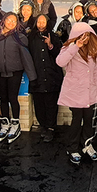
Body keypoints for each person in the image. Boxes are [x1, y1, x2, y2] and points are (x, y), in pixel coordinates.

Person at [0, 12, 37, 141]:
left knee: (12, 98)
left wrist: (32, 77)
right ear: (4, 20)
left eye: (14, 21)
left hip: (15, 72)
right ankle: (5, 122)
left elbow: (26, 58)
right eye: (9, 20)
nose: (11, 23)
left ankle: (15, 123)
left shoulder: (19, 38)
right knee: (3, 99)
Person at [57, 22, 97, 164]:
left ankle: (86, 145)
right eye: (82, 35)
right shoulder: (68, 48)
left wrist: (96, 90)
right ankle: (72, 148)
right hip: (75, 92)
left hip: (89, 92)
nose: (85, 38)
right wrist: (76, 46)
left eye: (88, 35)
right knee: (77, 119)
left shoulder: (92, 51)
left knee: (89, 119)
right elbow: (60, 62)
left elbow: (95, 73)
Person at [27, 14, 63, 143]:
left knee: (51, 104)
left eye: (43, 22)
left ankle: (51, 127)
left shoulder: (53, 37)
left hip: (51, 75)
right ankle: (43, 126)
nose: (41, 24)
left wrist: (50, 46)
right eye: (39, 22)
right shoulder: (30, 37)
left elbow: (60, 55)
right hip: (37, 76)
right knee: (39, 104)